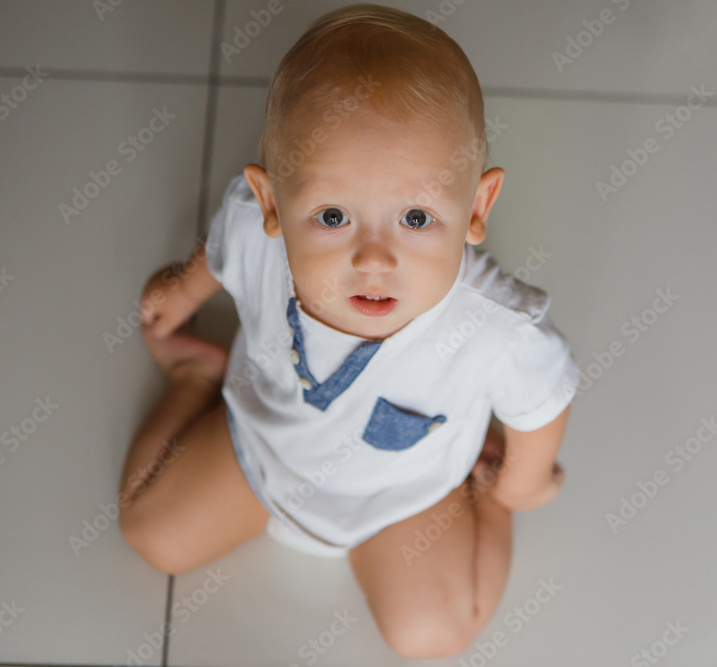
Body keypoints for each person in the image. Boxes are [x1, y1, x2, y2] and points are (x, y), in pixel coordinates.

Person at [117, 4, 579, 659]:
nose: (375, 258)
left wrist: (520, 483)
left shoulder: (493, 325)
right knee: (150, 528)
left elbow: (543, 398)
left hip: (409, 491)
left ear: (476, 207)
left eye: (416, 218)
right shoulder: (255, 230)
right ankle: (195, 375)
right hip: (262, 445)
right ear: (272, 201)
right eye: (333, 215)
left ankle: (486, 500)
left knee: (433, 633)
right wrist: (181, 290)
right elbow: (219, 252)